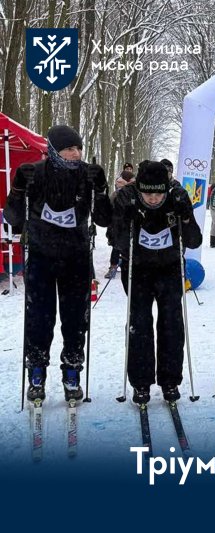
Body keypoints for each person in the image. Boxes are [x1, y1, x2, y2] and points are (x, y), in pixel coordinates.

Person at [5, 125, 111, 402]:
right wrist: (17, 188)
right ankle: (37, 372)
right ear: (53, 150)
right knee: (40, 318)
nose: (76, 154)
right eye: (69, 149)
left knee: (75, 321)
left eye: (79, 149)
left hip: (75, 258)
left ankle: (72, 372)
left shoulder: (87, 175)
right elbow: (13, 218)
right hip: (41, 258)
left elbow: (104, 219)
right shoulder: (36, 174)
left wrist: (101, 189)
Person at [112, 160, 200, 404]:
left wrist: (185, 217)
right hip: (138, 269)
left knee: (172, 323)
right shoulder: (126, 197)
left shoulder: (177, 195)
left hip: (169, 269)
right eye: (147, 193)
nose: (153, 198)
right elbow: (115, 239)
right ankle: (141, 382)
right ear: (139, 188)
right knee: (139, 324)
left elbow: (194, 240)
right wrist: (124, 223)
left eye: (158, 193)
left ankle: (170, 380)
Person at [106, 167, 135, 278]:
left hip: (126, 224)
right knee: (116, 246)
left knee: (127, 246)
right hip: (117, 224)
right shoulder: (118, 193)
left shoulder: (131, 190)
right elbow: (111, 206)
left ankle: (128, 265)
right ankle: (113, 267)